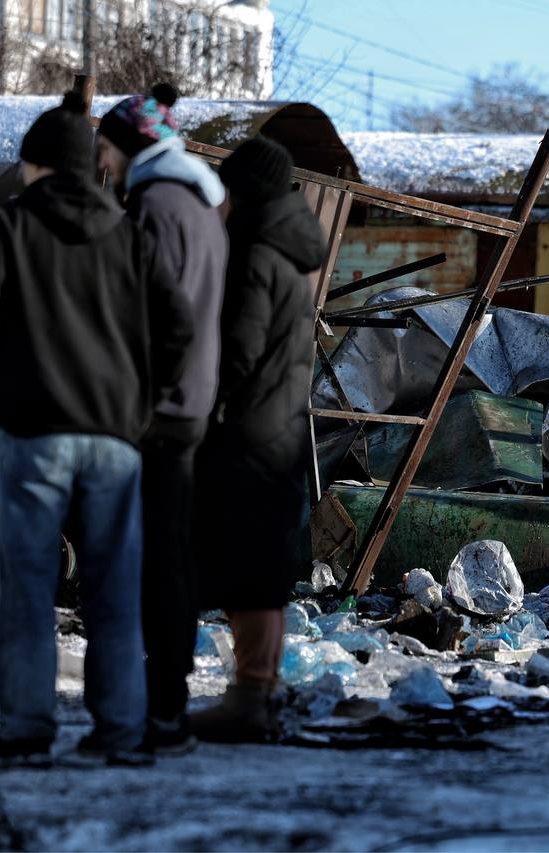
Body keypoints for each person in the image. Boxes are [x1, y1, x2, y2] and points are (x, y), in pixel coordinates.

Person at [0, 93, 193, 767]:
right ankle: (120, 728)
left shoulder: (13, 223)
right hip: (116, 436)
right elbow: (179, 328)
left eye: (26, 165)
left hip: (33, 430)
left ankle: (27, 725)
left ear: (41, 166)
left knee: (27, 581)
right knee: (115, 584)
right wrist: (145, 404)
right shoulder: (128, 232)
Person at [97, 83, 227, 754]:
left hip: (157, 411)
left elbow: (154, 318)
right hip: (193, 402)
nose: (103, 162)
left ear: (134, 148)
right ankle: (165, 704)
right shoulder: (201, 205)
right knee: (170, 556)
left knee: (148, 563)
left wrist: (132, 399)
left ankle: (160, 708)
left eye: (108, 149)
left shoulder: (152, 206)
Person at [190, 137, 324, 743]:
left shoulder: (253, 253)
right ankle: (258, 689)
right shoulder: (289, 252)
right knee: (261, 564)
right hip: (282, 426)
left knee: (245, 564)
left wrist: (205, 407)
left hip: (248, 429)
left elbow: (236, 352)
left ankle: (249, 696)